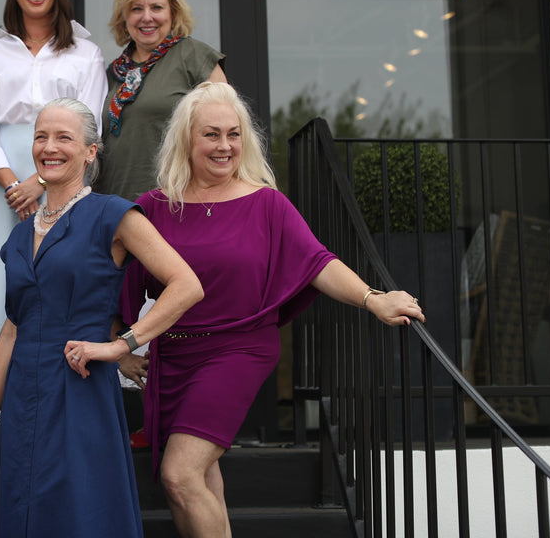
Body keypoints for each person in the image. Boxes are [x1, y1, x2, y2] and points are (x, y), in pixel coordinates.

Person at [119, 81, 426, 538]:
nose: (225, 146)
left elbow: (318, 262)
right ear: (186, 139)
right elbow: (115, 279)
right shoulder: (155, 207)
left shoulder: (266, 203)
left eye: (234, 134)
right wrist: (121, 344)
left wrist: (372, 298)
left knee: (180, 473)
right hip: (173, 357)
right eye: (211, 134)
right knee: (199, 479)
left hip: (238, 350)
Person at [0, 98, 203, 537]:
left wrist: (120, 345)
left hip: (81, 393)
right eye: (41, 137)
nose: (49, 147)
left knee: (80, 516)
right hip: (21, 403)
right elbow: (10, 332)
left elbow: (186, 285)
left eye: (64, 137)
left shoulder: (112, 215)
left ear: (91, 151)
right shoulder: (19, 236)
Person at [0, 0, 107, 412]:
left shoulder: (85, 52)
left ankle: (50, 399)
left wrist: (40, 180)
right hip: (1, 178)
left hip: (63, 168)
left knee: (59, 275)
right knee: (1, 279)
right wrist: (12, 184)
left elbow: (90, 122)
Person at [95, 0, 228, 202]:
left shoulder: (193, 56)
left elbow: (227, 127)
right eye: (136, 9)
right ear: (124, 18)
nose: (147, 17)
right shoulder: (113, 73)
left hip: (175, 202)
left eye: (156, 8)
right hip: (115, 204)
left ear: (172, 13)